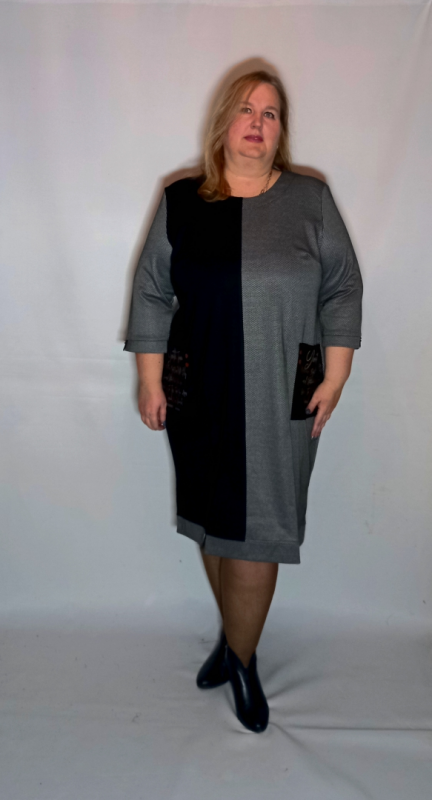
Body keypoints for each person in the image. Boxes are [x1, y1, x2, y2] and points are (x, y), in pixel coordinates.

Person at [124, 69, 363, 734]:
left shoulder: (310, 199)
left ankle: (242, 659)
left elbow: (343, 286)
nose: (258, 122)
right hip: (196, 387)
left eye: (272, 113)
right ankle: (236, 647)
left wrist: (336, 376)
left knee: (259, 533)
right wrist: (149, 379)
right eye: (246, 109)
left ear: (281, 130)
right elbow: (151, 292)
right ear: (223, 121)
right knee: (213, 518)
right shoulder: (181, 200)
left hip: (284, 388)